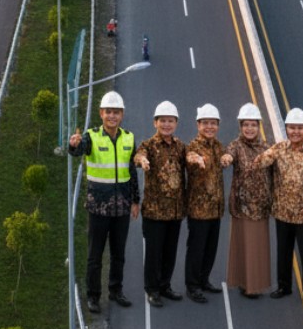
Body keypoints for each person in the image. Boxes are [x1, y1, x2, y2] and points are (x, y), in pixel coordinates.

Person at [69, 91, 140, 313]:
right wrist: (74, 144)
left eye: (116, 112)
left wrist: (136, 200)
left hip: (121, 208)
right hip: (98, 208)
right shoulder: (91, 136)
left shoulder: (129, 137)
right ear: (101, 113)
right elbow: (78, 150)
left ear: (122, 115)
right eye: (108, 112)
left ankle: (115, 291)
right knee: (95, 255)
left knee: (119, 254)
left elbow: (131, 170)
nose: (112, 116)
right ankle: (93, 296)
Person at [254, 107, 303, 304]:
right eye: (292, 128)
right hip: (282, 212)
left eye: (300, 128)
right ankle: (284, 286)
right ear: (286, 128)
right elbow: (259, 163)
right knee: (283, 251)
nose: (295, 132)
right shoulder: (278, 149)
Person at [133, 101, 188, 307]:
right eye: (163, 121)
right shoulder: (148, 145)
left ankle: (165, 285)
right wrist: (143, 162)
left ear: (176, 123)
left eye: (170, 121)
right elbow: (139, 156)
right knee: (154, 254)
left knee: (170, 252)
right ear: (155, 122)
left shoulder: (180, 146)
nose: (166, 124)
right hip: (155, 213)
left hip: (175, 212)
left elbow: (188, 158)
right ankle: (152, 289)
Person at [183, 104, 232, 303]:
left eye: (213, 123)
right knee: (196, 249)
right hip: (198, 210)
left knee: (210, 249)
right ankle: (192, 286)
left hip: (215, 209)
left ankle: (204, 280)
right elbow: (189, 157)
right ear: (198, 125)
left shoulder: (217, 145)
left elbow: (225, 154)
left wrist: (228, 156)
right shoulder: (194, 147)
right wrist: (196, 160)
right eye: (205, 123)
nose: (209, 127)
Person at [226, 103, 272, 299]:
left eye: (253, 125)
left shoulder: (267, 148)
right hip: (242, 206)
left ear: (259, 126)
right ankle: (244, 283)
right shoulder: (236, 146)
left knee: (257, 247)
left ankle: (256, 285)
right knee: (242, 244)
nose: (250, 129)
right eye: (246, 125)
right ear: (240, 126)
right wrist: (226, 159)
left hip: (260, 206)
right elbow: (229, 155)